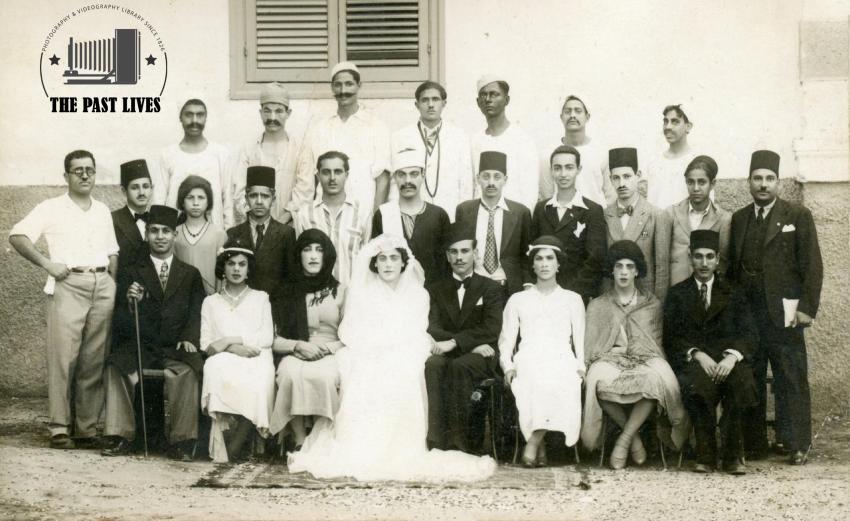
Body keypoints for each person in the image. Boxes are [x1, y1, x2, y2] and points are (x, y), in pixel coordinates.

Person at [288, 235, 496, 482]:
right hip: (369, 349)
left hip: (406, 348)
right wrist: (377, 347)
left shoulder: (418, 294)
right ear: (374, 264)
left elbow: (418, 328)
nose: (388, 264)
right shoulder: (362, 293)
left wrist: (396, 347)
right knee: (367, 372)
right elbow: (352, 330)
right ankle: (365, 444)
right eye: (382, 259)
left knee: (408, 371)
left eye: (394, 258)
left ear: (403, 262)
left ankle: (409, 445)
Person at [9, 150, 118, 449]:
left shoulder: (102, 210)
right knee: (63, 359)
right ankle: (59, 428)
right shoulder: (51, 207)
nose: (84, 175)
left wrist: (112, 283)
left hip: (102, 285)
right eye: (77, 170)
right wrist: (47, 263)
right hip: (68, 283)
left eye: (90, 170)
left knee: (93, 360)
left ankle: (85, 429)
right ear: (66, 176)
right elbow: (17, 236)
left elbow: (112, 252)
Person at [728, 150, 823, 465]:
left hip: (785, 312)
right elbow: (733, 269)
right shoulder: (740, 219)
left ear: (778, 182)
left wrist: (807, 308)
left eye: (769, 179)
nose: (763, 185)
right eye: (757, 178)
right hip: (749, 314)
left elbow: (812, 265)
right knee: (751, 375)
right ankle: (755, 444)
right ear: (749, 182)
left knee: (790, 375)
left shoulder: (797, 216)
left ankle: (796, 443)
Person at [100, 205, 206, 461]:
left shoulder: (190, 274)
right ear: (146, 234)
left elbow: (196, 313)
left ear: (175, 235)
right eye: (154, 231)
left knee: (188, 371)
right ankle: (120, 435)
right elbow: (121, 321)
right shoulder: (131, 272)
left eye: (166, 231)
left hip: (174, 348)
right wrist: (129, 300)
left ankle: (182, 441)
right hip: (141, 345)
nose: (160, 236)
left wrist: (189, 338)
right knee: (116, 367)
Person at [581, 240, 688, 469]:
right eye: (619, 266)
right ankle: (634, 439)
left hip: (646, 358)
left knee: (657, 380)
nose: (624, 272)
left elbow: (655, 343)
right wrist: (614, 356)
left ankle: (625, 439)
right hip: (609, 359)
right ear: (611, 269)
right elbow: (593, 348)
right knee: (596, 381)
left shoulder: (652, 304)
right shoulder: (598, 305)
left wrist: (639, 358)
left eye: (630, 266)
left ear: (637, 270)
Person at [663, 230, 757, 474]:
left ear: (718, 259)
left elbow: (749, 333)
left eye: (709, 257)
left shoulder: (734, 292)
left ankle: (732, 455)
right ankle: (706, 453)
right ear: (690, 258)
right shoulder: (678, 294)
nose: (704, 263)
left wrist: (732, 357)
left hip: (729, 360)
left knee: (741, 384)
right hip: (697, 361)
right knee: (697, 385)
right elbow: (672, 338)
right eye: (698, 257)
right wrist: (697, 354)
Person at [499, 236, 586, 467]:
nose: (545, 264)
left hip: (561, 356)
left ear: (559, 264)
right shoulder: (518, 299)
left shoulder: (572, 299)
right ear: (533, 264)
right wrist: (507, 366)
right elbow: (506, 341)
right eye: (539, 258)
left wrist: (581, 367)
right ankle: (540, 444)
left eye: (550, 258)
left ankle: (535, 442)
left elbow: (579, 339)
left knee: (561, 378)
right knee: (535, 379)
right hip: (529, 356)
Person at [425, 224, 504, 452]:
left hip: (482, 355)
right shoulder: (435, 288)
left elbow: (491, 328)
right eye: (454, 252)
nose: (459, 257)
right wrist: (463, 344)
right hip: (458, 349)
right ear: (447, 256)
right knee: (432, 365)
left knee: (460, 366)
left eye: (465, 251)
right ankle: (436, 442)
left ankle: (462, 444)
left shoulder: (490, 288)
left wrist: (457, 343)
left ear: (475, 254)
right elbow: (434, 326)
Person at [269, 229, 347, 448]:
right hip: (295, 350)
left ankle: (322, 438)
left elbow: (352, 335)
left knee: (325, 376)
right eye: (307, 249)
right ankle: (299, 441)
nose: (313, 256)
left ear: (327, 256)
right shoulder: (284, 291)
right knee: (289, 374)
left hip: (330, 351)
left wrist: (327, 348)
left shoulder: (340, 291)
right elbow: (271, 338)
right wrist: (298, 345)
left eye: (319, 250)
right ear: (298, 255)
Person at [200, 242, 275, 463]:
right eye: (230, 263)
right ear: (222, 268)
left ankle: (239, 442)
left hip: (256, 354)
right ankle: (228, 444)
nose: (236, 269)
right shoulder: (210, 302)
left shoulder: (261, 297)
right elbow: (207, 343)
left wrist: (232, 340)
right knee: (214, 369)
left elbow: (266, 338)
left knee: (259, 379)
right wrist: (230, 348)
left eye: (242, 264)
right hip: (223, 356)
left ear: (248, 268)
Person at [295, 62, 391, 215]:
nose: (343, 91)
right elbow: (313, 179)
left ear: (359, 86)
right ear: (332, 88)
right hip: (324, 215)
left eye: (349, 84)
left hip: (363, 213)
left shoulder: (376, 126)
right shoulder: (321, 128)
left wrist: (375, 219)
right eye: (338, 85)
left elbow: (383, 180)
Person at [532, 145, 607, 303]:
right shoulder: (541, 209)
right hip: (543, 294)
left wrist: (570, 294)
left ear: (578, 170)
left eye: (569, 167)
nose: (563, 174)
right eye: (557, 168)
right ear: (551, 170)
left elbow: (594, 260)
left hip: (576, 296)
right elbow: (532, 251)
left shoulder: (592, 210)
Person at [389, 81, 473, 218]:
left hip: (450, 214)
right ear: (417, 105)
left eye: (435, 99)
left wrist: (464, 218)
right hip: (413, 215)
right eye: (425, 100)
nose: (430, 105)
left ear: (444, 104)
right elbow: (394, 182)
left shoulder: (460, 137)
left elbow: (466, 183)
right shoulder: (400, 137)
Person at [455, 151, 532, 297]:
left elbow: (526, 256)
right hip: (474, 285)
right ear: (478, 179)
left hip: (507, 286)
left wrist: (527, 287)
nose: (491, 182)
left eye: (497, 177)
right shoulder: (464, 210)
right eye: (485, 176)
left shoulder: (520, 212)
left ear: (505, 179)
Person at [233, 82, 309, 225]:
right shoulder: (248, 149)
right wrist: (259, 226)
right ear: (260, 113)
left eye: (279, 111)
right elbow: (239, 192)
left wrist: (277, 227)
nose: (272, 117)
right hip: (255, 229)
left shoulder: (301, 149)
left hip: (289, 229)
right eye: (267, 110)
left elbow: (304, 194)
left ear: (288, 113)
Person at [372, 147, 451, 286]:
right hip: (394, 296)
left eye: (414, 174)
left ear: (423, 175)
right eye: (402, 174)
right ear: (395, 177)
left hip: (433, 299)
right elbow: (375, 262)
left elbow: (445, 267)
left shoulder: (438, 215)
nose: (407, 180)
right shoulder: (383, 215)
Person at [292, 151, 371, 286]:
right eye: (326, 172)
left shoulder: (362, 213)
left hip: (352, 296)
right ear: (318, 175)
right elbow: (299, 260)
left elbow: (367, 259)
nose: (332, 178)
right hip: (317, 298)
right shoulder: (304, 215)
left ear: (347, 175)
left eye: (338, 172)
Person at [602, 147, 670, 300]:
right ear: (610, 179)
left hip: (644, 299)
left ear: (638, 176)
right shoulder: (604, 216)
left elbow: (662, 269)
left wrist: (657, 307)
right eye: (616, 178)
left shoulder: (657, 215)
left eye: (627, 176)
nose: (622, 183)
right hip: (612, 298)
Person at [155, 98, 233, 228]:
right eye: (189, 114)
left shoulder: (221, 154)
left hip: (213, 233)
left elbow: (228, 199)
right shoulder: (168, 155)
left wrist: (228, 234)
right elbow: (159, 198)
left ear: (206, 117)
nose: (194, 121)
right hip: (175, 233)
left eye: (200, 115)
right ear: (180, 117)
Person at [471, 75, 539, 211]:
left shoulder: (523, 140)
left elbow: (530, 190)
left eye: (494, 94)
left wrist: (521, 223)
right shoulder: (475, 141)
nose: (488, 99)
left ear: (507, 100)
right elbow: (474, 186)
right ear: (478, 102)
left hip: (512, 220)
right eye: (483, 95)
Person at [227, 166, 297, 296]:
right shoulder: (233, 233)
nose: (259, 201)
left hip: (274, 307)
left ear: (273, 199)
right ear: (246, 198)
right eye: (253, 196)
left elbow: (291, 279)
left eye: (265, 196)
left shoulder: (286, 233)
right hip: (243, 306)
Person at [666, 155, 731, 286]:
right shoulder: (671, 213)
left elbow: (723, 262)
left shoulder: (723, 219)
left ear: (712, 184)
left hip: (706, 291)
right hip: (676, 290)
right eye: (690, 182)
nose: (695, 188)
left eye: (701, 182)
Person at [540, 95, 613, 205]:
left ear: (587, 117)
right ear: (561, 117)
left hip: (595, 219)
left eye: (578, 111)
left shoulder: (601, 152)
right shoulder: (548, 154)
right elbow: (547, 194)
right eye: (567, 111)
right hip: (560, 219)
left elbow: (610, 194)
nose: (572, 115)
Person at [173, 175, 228, 295]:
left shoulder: (219, 234)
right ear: (182, 200)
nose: (196, 203)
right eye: (190, 197)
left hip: (211, 298)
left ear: (209, 201)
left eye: (201, 198)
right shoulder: (174, 234)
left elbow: (223, 274)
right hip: (182, 298)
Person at [645, 105, 697, 209]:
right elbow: (651, 201)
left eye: (675, 122)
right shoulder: (654, 162)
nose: (668, 127)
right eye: (665, 121)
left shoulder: (696, 160)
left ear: (688, 126)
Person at [111, 159, 152, 279]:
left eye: (146, 186)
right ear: (124, 191)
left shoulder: (157, 219)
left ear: (151, 189)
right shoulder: (112, 219)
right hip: (123, 293)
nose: (141, 192)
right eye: (135, 188)